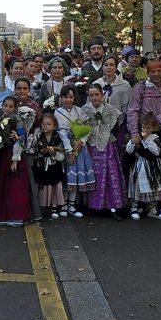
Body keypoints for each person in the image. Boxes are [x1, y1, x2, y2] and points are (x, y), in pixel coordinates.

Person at [0, 96, 32, 225]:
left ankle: (16, 215)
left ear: (15, 108)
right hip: (3, 154)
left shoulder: (17, 120)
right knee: (2, 184)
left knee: (15, 185)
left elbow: (21, 139)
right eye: (6, 105)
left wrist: (15, 158)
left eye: (11, 106)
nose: (7, 108)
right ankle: (2, 214)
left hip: (14, 155)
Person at [83, 84, 126, 218]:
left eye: (97, 94)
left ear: (102, 95)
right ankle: (93, 206)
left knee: (110, 175)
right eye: (91, 95)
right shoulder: (85, 109)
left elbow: (119, 120)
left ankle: (114, 206)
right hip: (90, 146)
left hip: (107, 146)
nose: (94, 98)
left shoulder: (109, 109)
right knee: (93, 176)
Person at [54, 85, 94, 217]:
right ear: (61, 98)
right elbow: (61, 132)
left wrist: (81, 142)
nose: (68, 100)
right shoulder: (58, 112)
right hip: (65, 148)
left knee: (76, 176)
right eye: (65, 97)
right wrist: (70, 151)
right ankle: (63, 204)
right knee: (67, 176)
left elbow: (87, 129)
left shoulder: (79, 111)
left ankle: (72, 204)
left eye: (71, 97)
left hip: (80, 148)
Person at [126, 114, 161, 220]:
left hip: (153, 167)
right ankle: (134, 208)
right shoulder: (137, 137)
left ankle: (152, 209)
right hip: (140, 166)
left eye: (148, 128)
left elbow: (157, 152)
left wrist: (147, 141)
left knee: (153, 188)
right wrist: (132, 143)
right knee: (139, 187)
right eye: (143, 127)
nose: (145, 130)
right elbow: (129, 151)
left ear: (154, 128)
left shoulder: (155, 139)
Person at [29, 113, 67, 219]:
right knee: (44, 186)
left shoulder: (57, 138)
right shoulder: (39, 137)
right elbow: (35, 152)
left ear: (54, 126)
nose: (45, 126)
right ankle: (44, 207)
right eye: (43, 124)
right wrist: (42, 152)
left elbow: (62, 156)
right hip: (42, 166)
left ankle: (55, 207)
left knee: (55, 186)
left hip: (54, 166)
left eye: (49, 124)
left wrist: (54, 153)